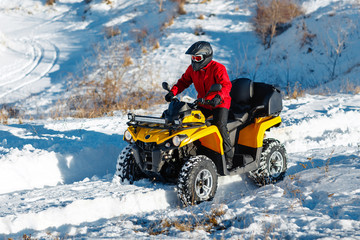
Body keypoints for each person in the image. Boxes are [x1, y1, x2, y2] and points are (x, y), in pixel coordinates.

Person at [165, 41, 234, 169]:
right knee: (187, 121)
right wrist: (172, 92)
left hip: (220, 103)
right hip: (203, 103)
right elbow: (183, 82)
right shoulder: (192, 69)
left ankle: (228, 158)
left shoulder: (218, 68)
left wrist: (218, 97)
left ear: (206, 57)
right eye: (193, 58)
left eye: (197, 58)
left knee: (220, 125)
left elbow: (226, 85)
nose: (194, 61)